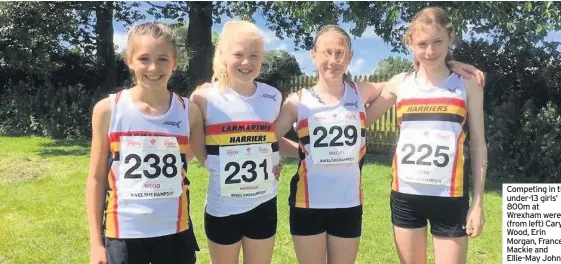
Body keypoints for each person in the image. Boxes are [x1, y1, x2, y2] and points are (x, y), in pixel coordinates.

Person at [272, 24, 485, 264]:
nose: (333, 60)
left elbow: (413, 78)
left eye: (340, 53)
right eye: (326, 52)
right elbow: (269, 140)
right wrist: (299, 151)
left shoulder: (360, 92)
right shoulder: (297, 102)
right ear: (313, 55)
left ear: (350, 57)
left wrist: (449, 65)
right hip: (307, 202)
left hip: (348, 203)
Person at [365, 7, 487, 264]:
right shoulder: (400, 83)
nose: (430, 51)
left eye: (437, 42)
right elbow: (362, 119)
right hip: (405, 195)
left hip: (450, 196)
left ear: (450, 38)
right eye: (422, 43)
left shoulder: (467, 84)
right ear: (410, 43)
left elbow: (478, 144)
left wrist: (478, 202)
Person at [86, 22, 200, 264]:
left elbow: (196, 155)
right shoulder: (109, 110)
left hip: (175, 232)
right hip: (123, 233)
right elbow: (96, 178)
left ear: (174, 63)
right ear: (129, 60)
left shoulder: (189, 111)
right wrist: (96, 243)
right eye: (144, 59)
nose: (153, 68)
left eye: (162, 59)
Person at [189, 20, 287, 264]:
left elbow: (271, 138)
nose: (247, 62)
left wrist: (287, 156)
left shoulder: (272, 96)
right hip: (223, 205)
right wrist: (209, 163)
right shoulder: (204, 97)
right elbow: (194, 140)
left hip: (264, 202)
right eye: (239, 54)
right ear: (222, 55)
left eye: (254, 55)